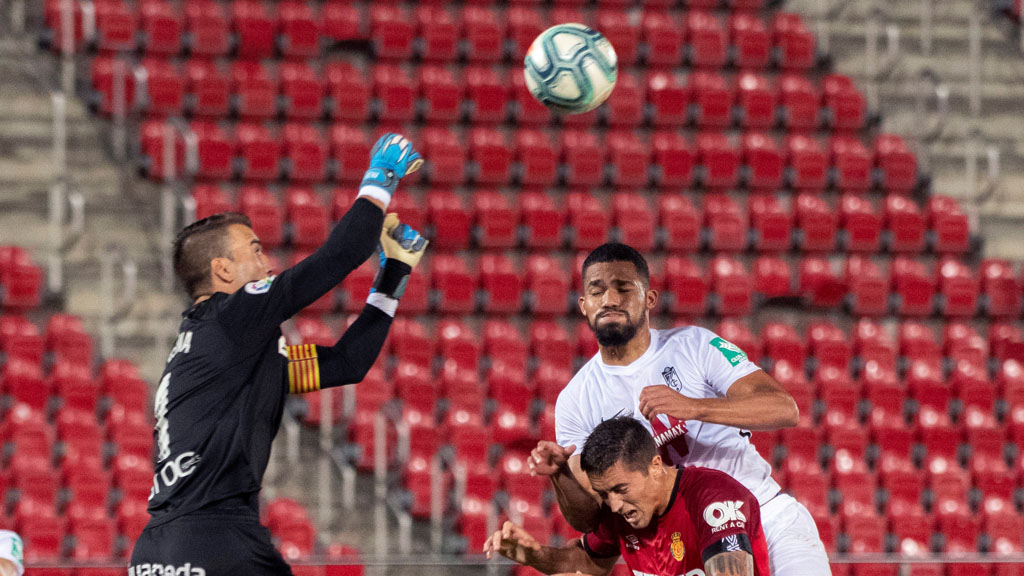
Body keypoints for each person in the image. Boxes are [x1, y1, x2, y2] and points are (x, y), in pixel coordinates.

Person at [129, 134, 427, 576]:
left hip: (158, 550)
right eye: (255, 251)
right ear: (222, 270)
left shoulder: (226, 354)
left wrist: (392, 277)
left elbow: (346, 364)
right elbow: (340, 255)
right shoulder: (231, 317)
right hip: (215, 540)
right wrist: (380, 179)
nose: (267, 263)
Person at [529, 243, 830, 575]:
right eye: (597, 291)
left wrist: (694, 407)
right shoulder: (575, 399)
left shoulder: (695, 345)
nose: (610, 299)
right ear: (584, 305)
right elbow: (590, 518)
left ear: (649, 299)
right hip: (672, 547)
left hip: (763, 515)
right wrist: (561, 476)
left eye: (623, 288)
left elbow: (783, 408)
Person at [486, 417, 769, 576]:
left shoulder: (713, 497)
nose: (615, 505)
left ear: (655, 466)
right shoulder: (620, 514)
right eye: (604, 494)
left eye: (621, 490)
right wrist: (535, 555)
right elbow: (588, 563)